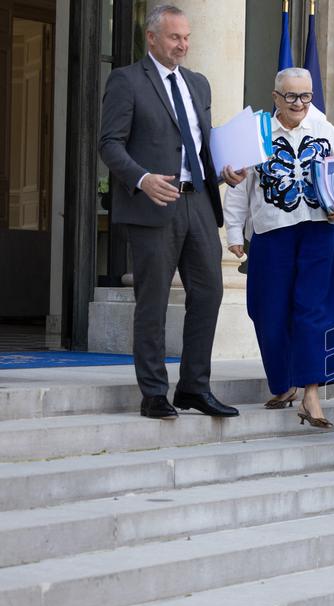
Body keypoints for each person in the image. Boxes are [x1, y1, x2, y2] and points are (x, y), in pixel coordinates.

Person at [98, 4, 245, 420]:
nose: (183, 45)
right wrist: (142, 179)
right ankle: (154, 392)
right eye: (174, 37)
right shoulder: (126, 81)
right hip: (152, 204)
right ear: (152, 37)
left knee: (210, 293)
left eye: (186, 38)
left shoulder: (198, 84)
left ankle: (195, 387)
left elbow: (201, 146)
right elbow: (109, 143)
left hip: (198, 201)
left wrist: (225, 170)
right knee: (153, 300)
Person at [223, 68, 334, 428]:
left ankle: (311, 394)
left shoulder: (326, 132)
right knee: (267, 311)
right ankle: (284, 383)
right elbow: (240, 187)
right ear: (275, 98)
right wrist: (235, 234)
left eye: (306, 96)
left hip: (318, 234)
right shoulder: (257, 136)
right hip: (271, 236)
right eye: (291, 96)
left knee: (314, 311)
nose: (299, 103)